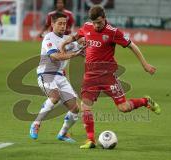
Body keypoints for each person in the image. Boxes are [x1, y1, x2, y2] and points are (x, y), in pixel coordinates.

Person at [61, 5, 161, 149]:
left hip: (108, 76)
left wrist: (145, 64)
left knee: (124, 108)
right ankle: (91, 140)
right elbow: (77, 35)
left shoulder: (113, 32)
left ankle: (145, 101)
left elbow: (132, 46)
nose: (96, 26)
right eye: (94, 22)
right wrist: (66, 41)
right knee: (85, 107)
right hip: (90, 76)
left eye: (99, 22)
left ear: (105, 18)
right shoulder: (88, 26)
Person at [29, 12, 85, 143]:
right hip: (46, 74)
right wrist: (74, 54)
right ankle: (36, 124)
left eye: (64, 23)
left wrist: (85, 43)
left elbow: (81, 45)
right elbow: (54, 56)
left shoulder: (67, 40)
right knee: (55, 96)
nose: (62, 26)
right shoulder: (49, 38)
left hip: (60, 76)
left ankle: (62, 134)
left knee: (75, 108)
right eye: (59, 23)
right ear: (52, 24)